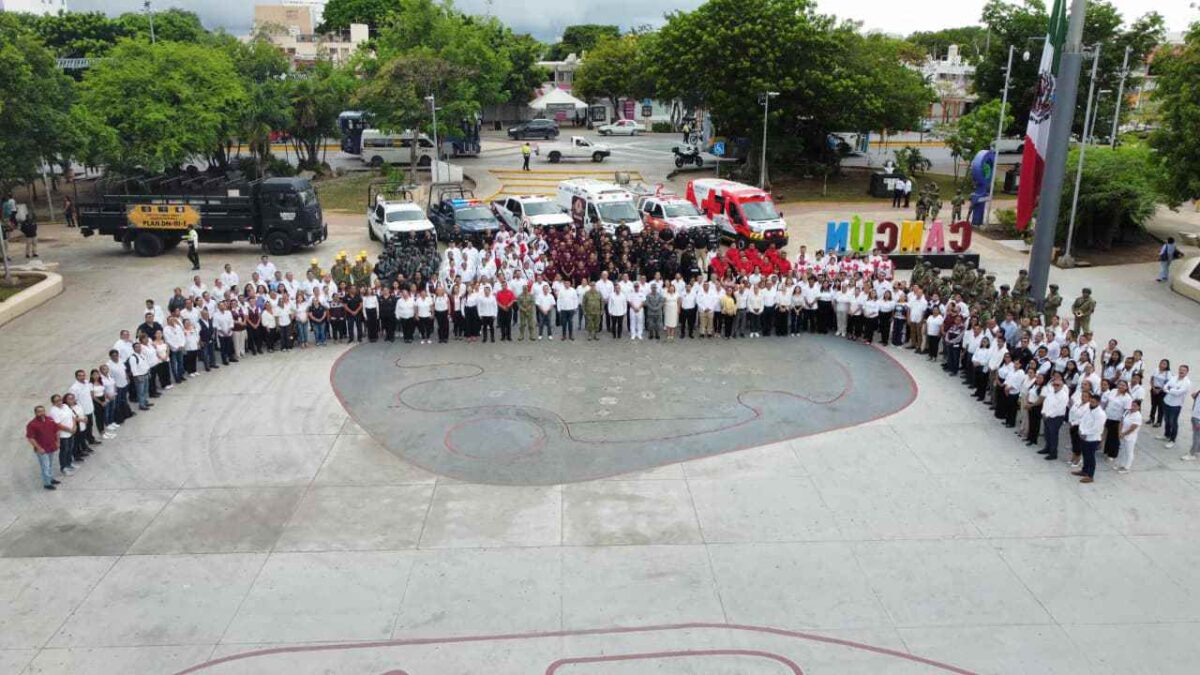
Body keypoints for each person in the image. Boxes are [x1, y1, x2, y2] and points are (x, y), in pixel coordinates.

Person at [26, 405, 61, 490]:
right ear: (36, 413)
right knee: (45, 466)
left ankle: (51, 479)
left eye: (43, 411)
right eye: (39, 411)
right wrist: (39, 448)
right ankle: (47, 483)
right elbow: (30, 438)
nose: (41, 413)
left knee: (50, 464)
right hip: (42, 449)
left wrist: (57, 442)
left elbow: (56, 431)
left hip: (51, 447)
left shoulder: (50, 420)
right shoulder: (32, 424)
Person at [1075, 393, 1107, 483]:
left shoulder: (1101, 414)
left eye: (1093, 402)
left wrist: (1085, 433)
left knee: (1090, 457)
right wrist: (1081, 430)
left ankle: (1090, 475)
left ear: (1098, 402)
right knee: (1085, 455)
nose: (1091, 403)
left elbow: (1096, 428)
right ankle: (1084, 471)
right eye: (1091, 401)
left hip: (1093, 439)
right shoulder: (1088, 409)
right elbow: (1083, 420)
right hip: (1083, 436)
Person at [1039, 373, 1070, 460]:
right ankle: (1047, 448)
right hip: (1047, 416)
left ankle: (1053, 453)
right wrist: (1044, 412)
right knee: (1047, 433)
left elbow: (1059, 409)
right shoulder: (1051, 392)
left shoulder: (1063, 395)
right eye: (1054, 384)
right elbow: (1046, 403)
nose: (1055, 386)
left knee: (1053, 435)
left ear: (1062, 385)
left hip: (1056, 417)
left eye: (1058, 385)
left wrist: (1048, 415)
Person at [1161, 364, 1191, 450]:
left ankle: (1172, 440)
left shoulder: (1187, 382)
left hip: (1176, 405)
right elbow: (1165, 386)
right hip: (1167, 401)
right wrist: (1171, 389)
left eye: (1183, 370)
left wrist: (1169, 389)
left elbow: (1178, 393)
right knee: (1166, 419)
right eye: (1180, 369)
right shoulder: (1174, 377)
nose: (1181, 371)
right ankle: (1166, 435)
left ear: (1187, 372)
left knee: (1173, 422)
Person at [48, 394, 77, 476]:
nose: (59, 402)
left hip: (71, 432)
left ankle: (69, 464)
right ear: (53, 403)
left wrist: (74, 427)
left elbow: (73, 417)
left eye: (60, 400)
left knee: (70, 448)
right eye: (56, 401)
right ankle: (63, 467)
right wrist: (69, 430)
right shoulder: (53, 411)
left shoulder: (65, 406)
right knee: (64, 450)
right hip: (63, 434)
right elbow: (58, 425)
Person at [1115, 400, 1143, 473]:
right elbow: (1121, 421)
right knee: (1123, 450)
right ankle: (1122, 464)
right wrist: (1120, 432)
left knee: (1129, 452)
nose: (1133, 407)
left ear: (1138, 407)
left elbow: (1132, 428)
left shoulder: (1138, 416)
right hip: (1122, 434)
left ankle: (1127, 467)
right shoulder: (1127, 412)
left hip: (1130, 437)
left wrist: (1123, 434)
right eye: (1132, 405)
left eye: (1135, 406)